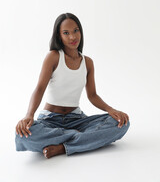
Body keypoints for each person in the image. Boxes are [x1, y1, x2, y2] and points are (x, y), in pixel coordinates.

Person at [15, 12, 130, 159]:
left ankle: (63, 147)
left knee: (121, 123)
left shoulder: (87, 63)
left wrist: (111, 110)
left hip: (77, 120)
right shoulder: (54, 57)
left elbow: (92, 95)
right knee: (22, 136)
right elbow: (39, 89)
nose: (72, 37)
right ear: (59, 36)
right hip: (50, 120)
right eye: (66, 33)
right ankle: (82, 139)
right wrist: (29, 115)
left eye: (76, 31)